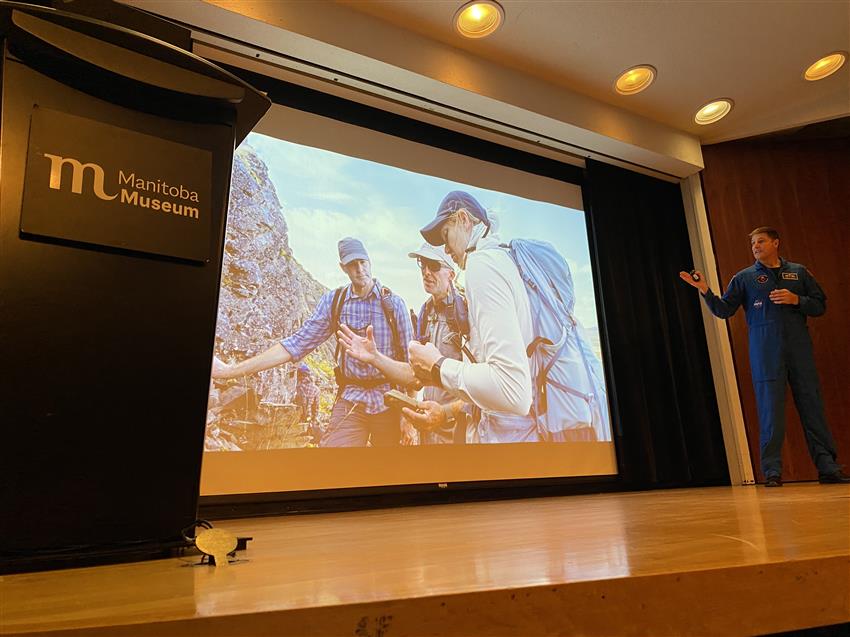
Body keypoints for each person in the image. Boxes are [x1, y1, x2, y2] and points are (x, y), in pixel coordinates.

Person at [680, 226, 849, 486]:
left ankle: (828, 467)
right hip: (765, 354)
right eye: (753, 244)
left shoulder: (799, 272)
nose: (756, 246)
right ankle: (772, 472)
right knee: (770, 412)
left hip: (799, 351)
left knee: (812, 408)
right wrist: (705, 290)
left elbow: (819, 305)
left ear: (776, 243)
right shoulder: (745, 278)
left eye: (761, 241)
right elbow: (724, 310)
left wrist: (797, 300)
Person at [212, 237, 414, 447]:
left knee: (389, 470)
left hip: (390, 401)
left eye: (363, 262)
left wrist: (408, 416)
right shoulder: (334, 302)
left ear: (370, 262)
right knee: (332, 466)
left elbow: (413, 369)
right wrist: (229, 371)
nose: (360, 269)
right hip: (351, 398)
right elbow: (296, 345)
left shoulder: (394, 305)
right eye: (353, 264)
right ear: (343, 267)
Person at [410, 191, 539, 443]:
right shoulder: (502, 259)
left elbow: (513, 390)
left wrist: (438, 366)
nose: (446, 248)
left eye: (445, 235)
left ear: (463, 219)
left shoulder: (482, 264)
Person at [339, 242, 469, 444]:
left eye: (433, 266)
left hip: (460, 430)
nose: (426, 272)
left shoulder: (467, 313)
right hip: (430, 427)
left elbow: (484, 388)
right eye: (422, 264)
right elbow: (416, 376)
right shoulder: (425, 312)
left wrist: (444, 413)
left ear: (451, 274)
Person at [294, 363, 321, 443]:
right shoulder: (316, 389)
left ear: (298, 374)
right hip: (306, 420)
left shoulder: (295, 385)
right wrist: (313, 419)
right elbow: (315, 409)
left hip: (292, 418)